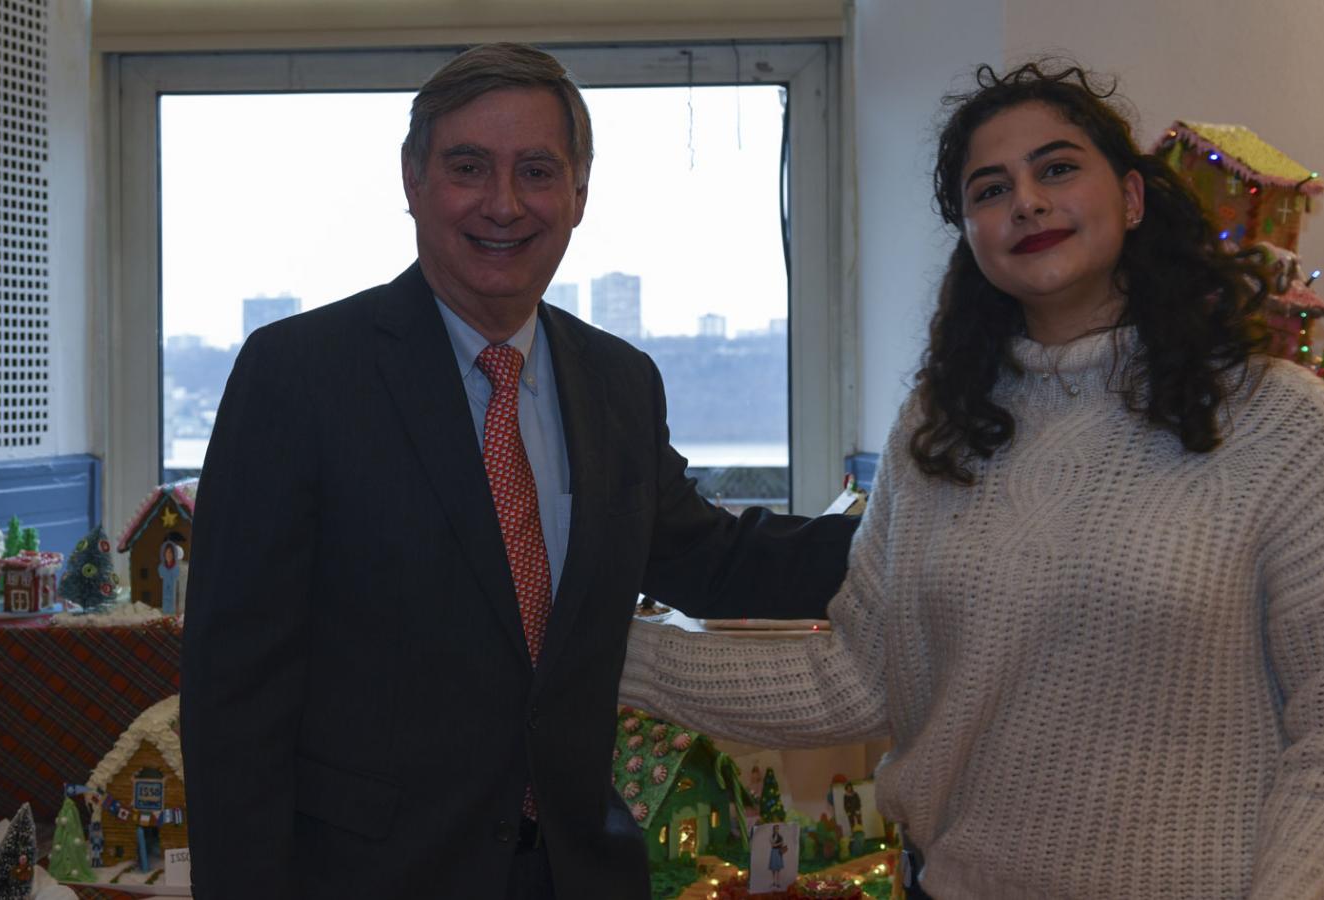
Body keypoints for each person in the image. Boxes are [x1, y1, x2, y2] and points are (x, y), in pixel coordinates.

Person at [620, 61, 1324, 900]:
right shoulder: (939, 428)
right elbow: (857, 677)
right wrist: (590, 649)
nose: (1026, 201)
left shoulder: (1279, 421)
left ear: (1133, 199)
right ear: (971, 235)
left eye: (1057, 169)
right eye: (990, 190)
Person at [180, 42, 858, 900]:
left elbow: (709, 558)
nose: (504, 204)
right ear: (413, 180)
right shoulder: (300, 375)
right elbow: (233, 690)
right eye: (469, 166)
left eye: (537, 170)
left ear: (578, 193)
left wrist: (912, 539)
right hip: (369, 875)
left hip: (577, 871)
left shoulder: (619, 381)